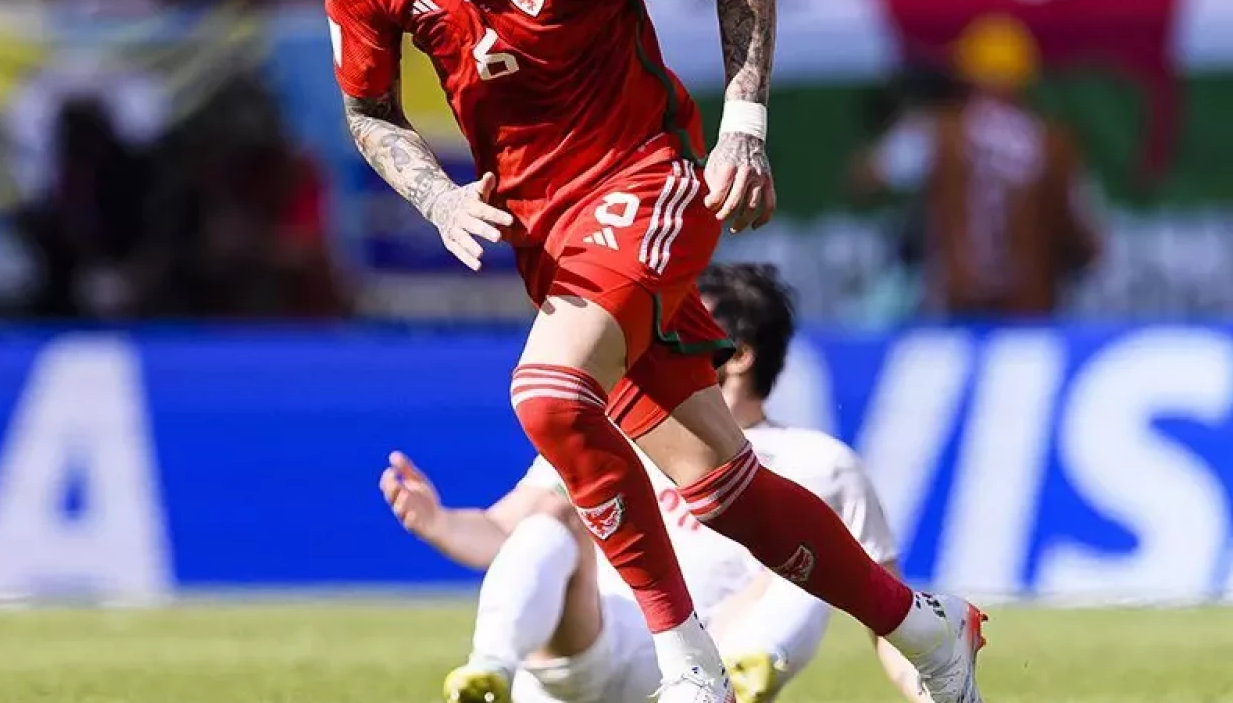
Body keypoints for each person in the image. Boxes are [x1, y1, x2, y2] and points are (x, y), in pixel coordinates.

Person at [315, 0, 986, 701]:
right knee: (719, 488)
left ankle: (688, 666)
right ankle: (926, 628)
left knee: (548, 396)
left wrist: (744, 127)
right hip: (551, 242)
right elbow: (369, 110)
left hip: (645, 185)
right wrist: (434, 194)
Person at [382, 264, 931, 703]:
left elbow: (882, 611)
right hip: (594, 637)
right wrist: (438, 523)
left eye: (679, 329)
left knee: (811, 554)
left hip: (713, 652)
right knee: (548, 523)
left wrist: (936, 686)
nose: (655, 342)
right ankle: (487, 673)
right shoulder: (611, 427)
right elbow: (506, 531)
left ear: (737, 356)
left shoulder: (821, 463)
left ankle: (748, 666)